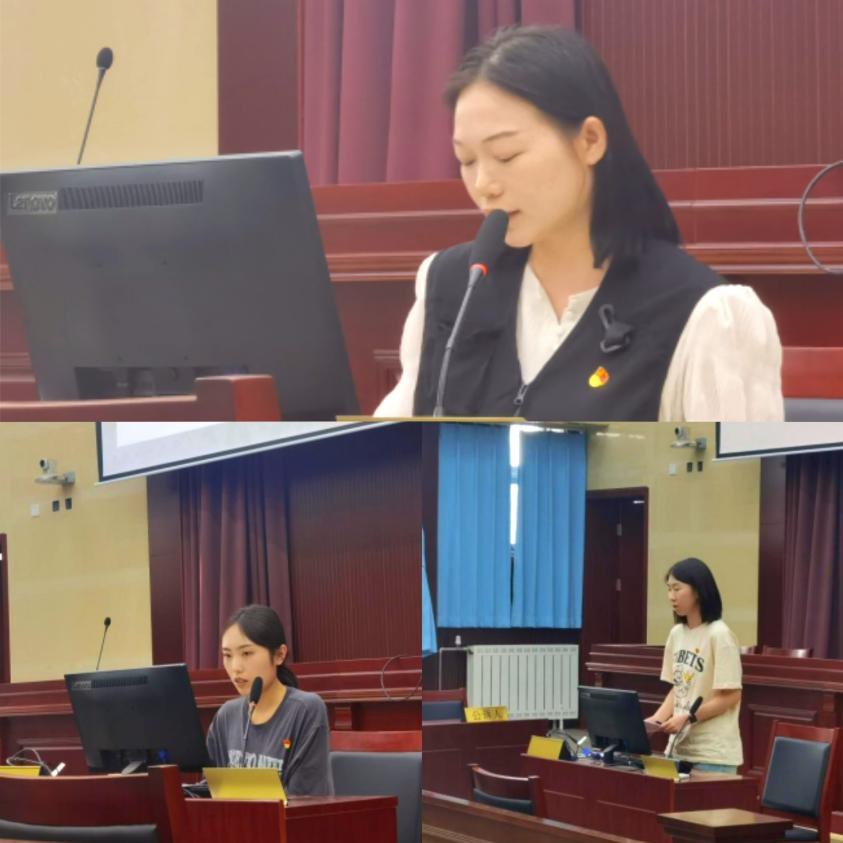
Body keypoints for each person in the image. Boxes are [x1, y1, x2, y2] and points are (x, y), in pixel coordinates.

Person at [375, 26, 782, 421]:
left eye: (506, 155)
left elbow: (736, 470)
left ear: (590, 141)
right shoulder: (450, 286)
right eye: (466, 161)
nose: (483, 185)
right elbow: (390, 448)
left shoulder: (704, 313)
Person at [206, 604, 334, 795]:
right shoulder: (227, 715)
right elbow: (209, 790)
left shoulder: (306, 709)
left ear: (279, 655)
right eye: (227, 655)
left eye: (247, 653)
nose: (236, 667)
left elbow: (307, 796)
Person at [645, 558, 743, 774]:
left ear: (698, 590)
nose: (671, 596)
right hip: (678, 749)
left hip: (712, 754)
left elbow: (732, 696)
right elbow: (678, 687)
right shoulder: (676, 634)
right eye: (669, 589)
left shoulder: (720, 634)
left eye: (677, 589)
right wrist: (656, 720)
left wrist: (689, 717)